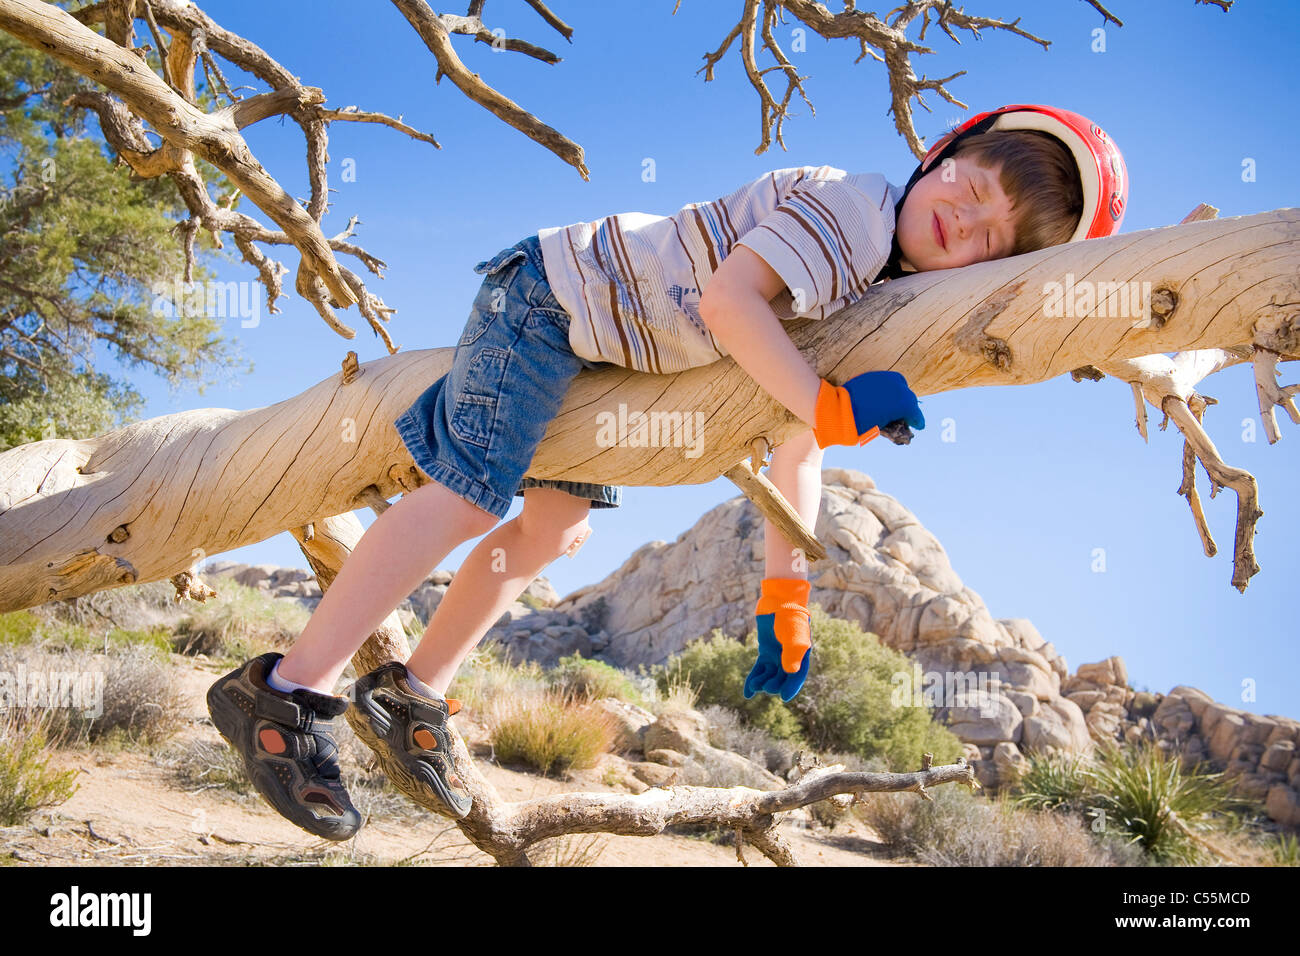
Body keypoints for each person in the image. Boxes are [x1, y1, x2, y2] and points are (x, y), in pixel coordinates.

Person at [205, 103, 1129, 841]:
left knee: (557, 530)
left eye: (988, 237)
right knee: (464, 497)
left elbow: (794, 442)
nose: (962, 216)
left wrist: (787, 592)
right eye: (972, 185)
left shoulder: (871, 291)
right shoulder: (853, 208)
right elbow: (731, 304)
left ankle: (412, 694)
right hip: (550, 298)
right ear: (944, 154)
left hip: (603, 355)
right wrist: (830, 403)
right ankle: (283, 693)